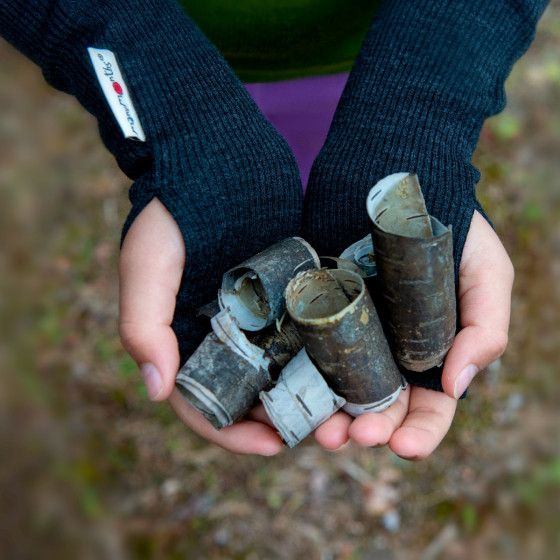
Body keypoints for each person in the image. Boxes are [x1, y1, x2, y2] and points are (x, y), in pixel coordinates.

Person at [0, 0, 548, 458]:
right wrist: (148, 78)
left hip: (386, 56)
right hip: (176, 63)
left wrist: (425, 102)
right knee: (269, 175)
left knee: (329, 172)